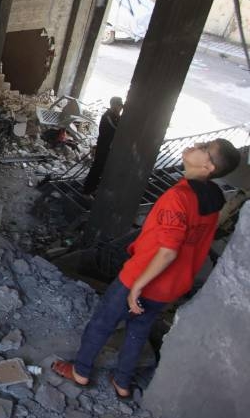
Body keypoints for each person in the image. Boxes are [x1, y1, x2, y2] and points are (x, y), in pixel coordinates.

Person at [52, 138, 241, 398]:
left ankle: (80, 371)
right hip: (172, 284)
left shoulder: (179, 197)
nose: (197, 143)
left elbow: (168, 251)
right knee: (138, 330)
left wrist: (137, 287)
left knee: (102, 323)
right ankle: (122, 382)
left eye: (205, 147)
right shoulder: (213, 198)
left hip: (141, 276)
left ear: (208, 167)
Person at [82, 96, 124, 195]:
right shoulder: (108, 116)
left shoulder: (115, 116)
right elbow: (117, 128)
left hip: (109, 147)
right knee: (97, 168)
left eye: (121, 106)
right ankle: (87, 191)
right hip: (103, 147)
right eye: (119, 106)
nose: (120, 108)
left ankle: (93, 189)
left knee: (102, 169)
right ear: (114, 105)